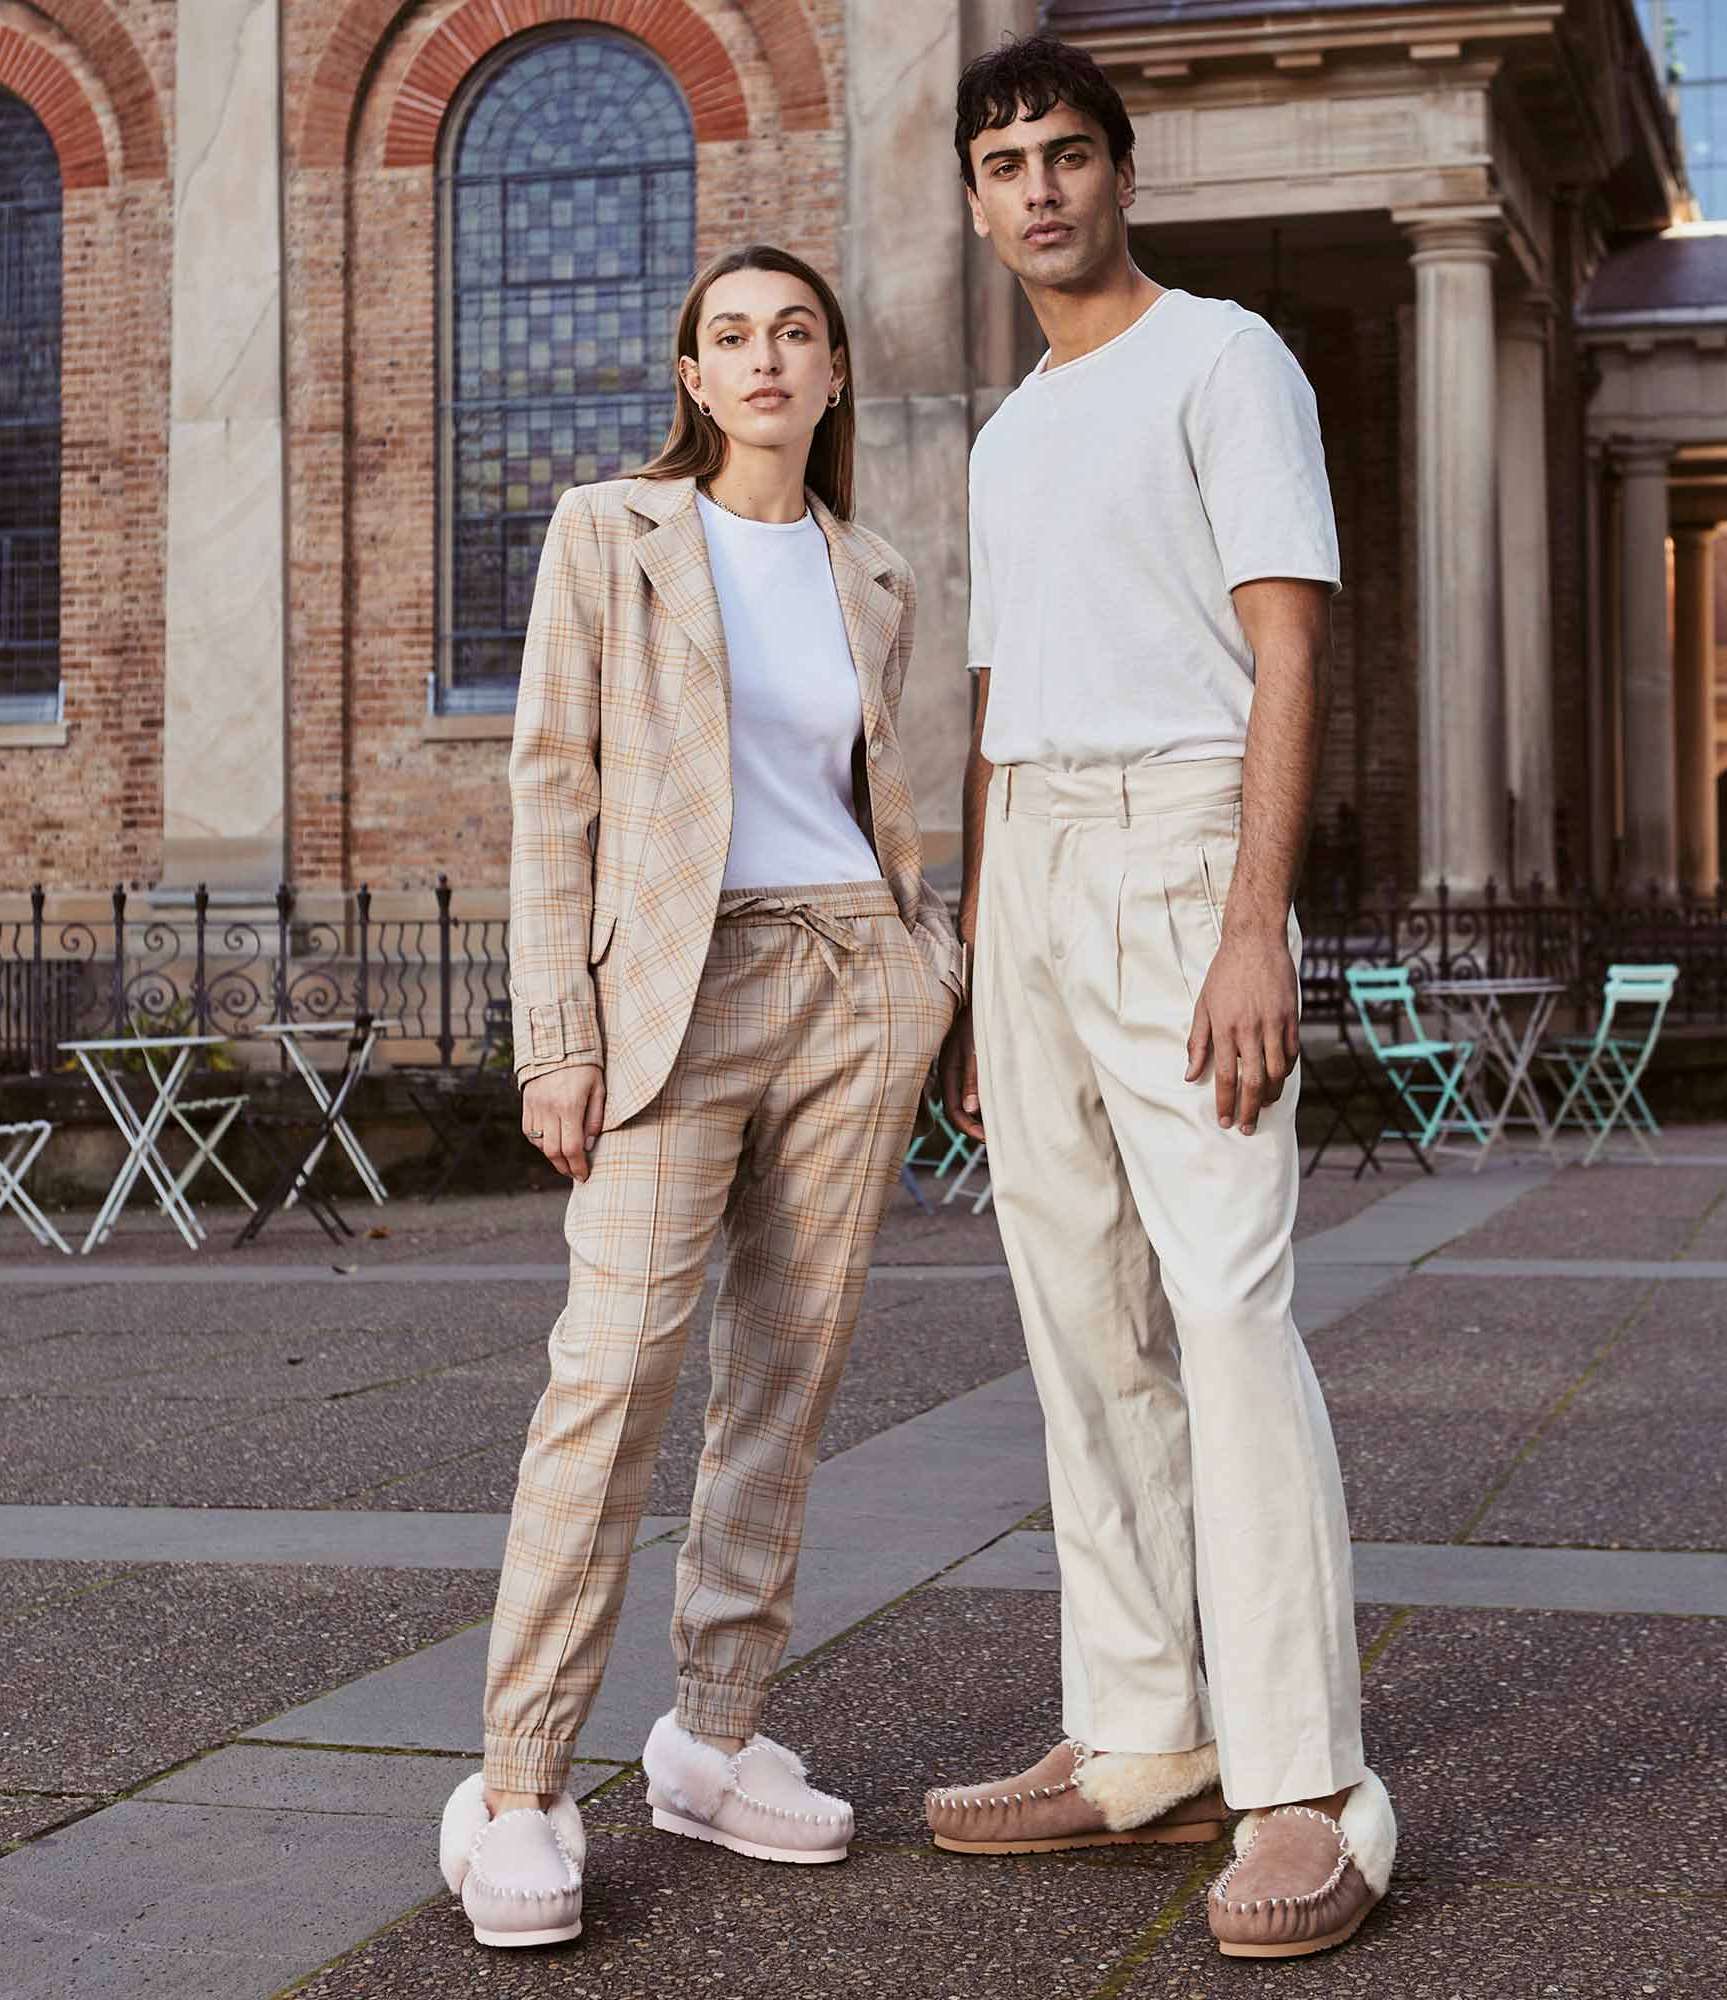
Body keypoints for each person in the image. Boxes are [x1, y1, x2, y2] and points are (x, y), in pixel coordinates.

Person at [921, 36, 1396, 1960]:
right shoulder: (1009, 432)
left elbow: (1288, 646)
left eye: (1065, 153)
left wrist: (1254, 922)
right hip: (1033, 860)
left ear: (1124, 171)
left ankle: (1307, 1785)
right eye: (1004, 164)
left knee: (1227, 1309)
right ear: (977, 204)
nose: (1037, 188)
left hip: (1184, 835)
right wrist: (976, 967)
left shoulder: (1225, 358)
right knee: (1080, 1321)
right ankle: (1141, 1735)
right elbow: (991, 707)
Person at [436, 243, 963, 1949]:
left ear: (832, 374)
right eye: (730, 335)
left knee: (785, 1383)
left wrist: (931, 974)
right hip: (676, 990)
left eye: (794, 333)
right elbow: (553, 788)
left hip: (851, 984)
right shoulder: (611, 532)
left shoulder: (874, 568)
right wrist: (555, 1034)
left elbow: (878, 793)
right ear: (692, 374)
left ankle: (714, 1740)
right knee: (611, 1377)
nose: (763, 359)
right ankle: (518, 1784)